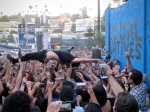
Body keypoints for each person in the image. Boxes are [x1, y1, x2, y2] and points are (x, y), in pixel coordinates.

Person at [7, 50, 102, 67]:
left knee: (28, 56)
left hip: (44, 55)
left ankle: (15, 60)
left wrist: (95, 59)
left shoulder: (72, 60)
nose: (80, 57)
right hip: (45, 54)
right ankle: (17, 59)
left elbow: (84, 60)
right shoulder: (69, 58)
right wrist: (69, 50)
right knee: (28, 56)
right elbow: (62, 55)